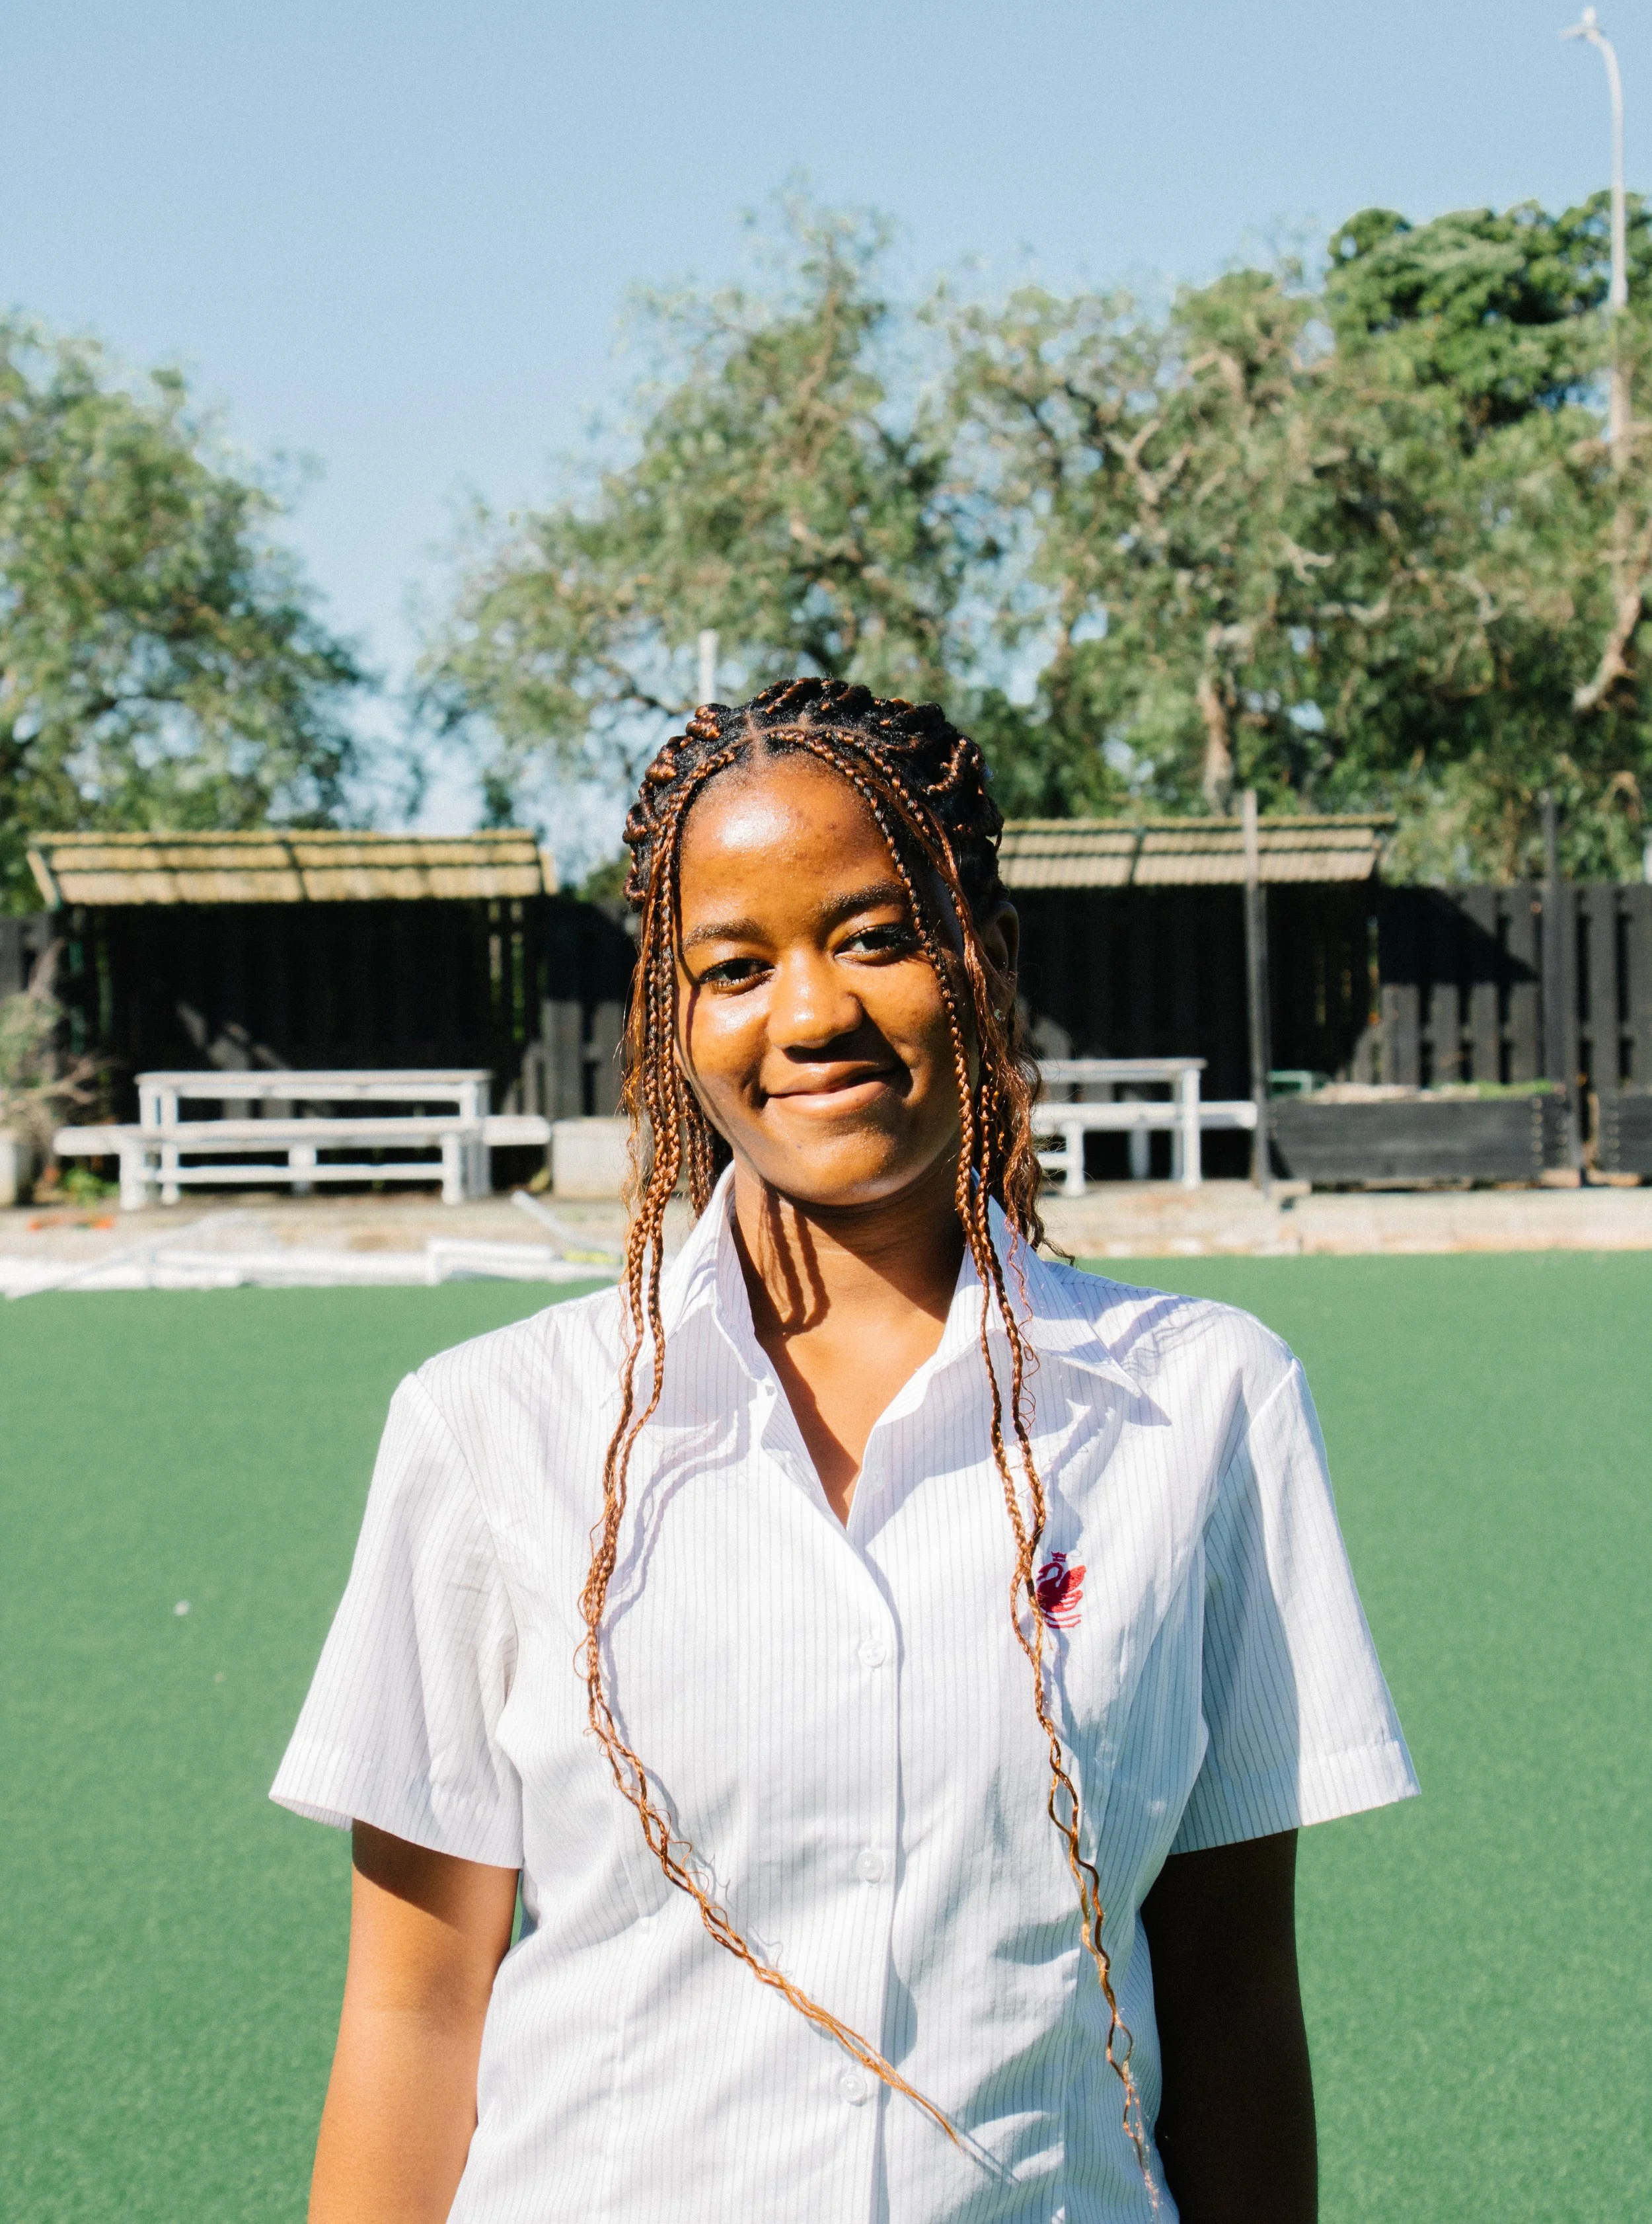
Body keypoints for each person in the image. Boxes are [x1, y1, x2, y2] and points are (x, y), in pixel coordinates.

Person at [274, 679, 1417, 2223]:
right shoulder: (494, 1427)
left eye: (874, 937)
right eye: (732, 966)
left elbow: (1225, 1993)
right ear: (673, 1023)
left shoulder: (1204, 1404)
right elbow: (415, 2009)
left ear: (983, 959)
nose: (807, 1014)